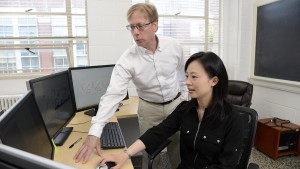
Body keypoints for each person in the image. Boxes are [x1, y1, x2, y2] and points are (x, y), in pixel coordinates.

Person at [74, 3, 188, 169]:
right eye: (132, 27)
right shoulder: (127, 59)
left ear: (155, 25)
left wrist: (184, 99)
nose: (135, 32)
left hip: (176, 105)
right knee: (149, 151)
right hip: (149, 109)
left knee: (179, 149)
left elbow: (182, 74)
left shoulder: (174, 46)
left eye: (140, 26)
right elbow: (113, 95)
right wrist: (94, 132)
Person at [97, 51, 244, 169]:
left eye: (194, 77)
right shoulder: (185, 109)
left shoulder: (233, 119)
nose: (187, 82)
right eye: (186, 76)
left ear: (214, 81)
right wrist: (124, 155)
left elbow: (227, 165)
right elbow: (158, 132)